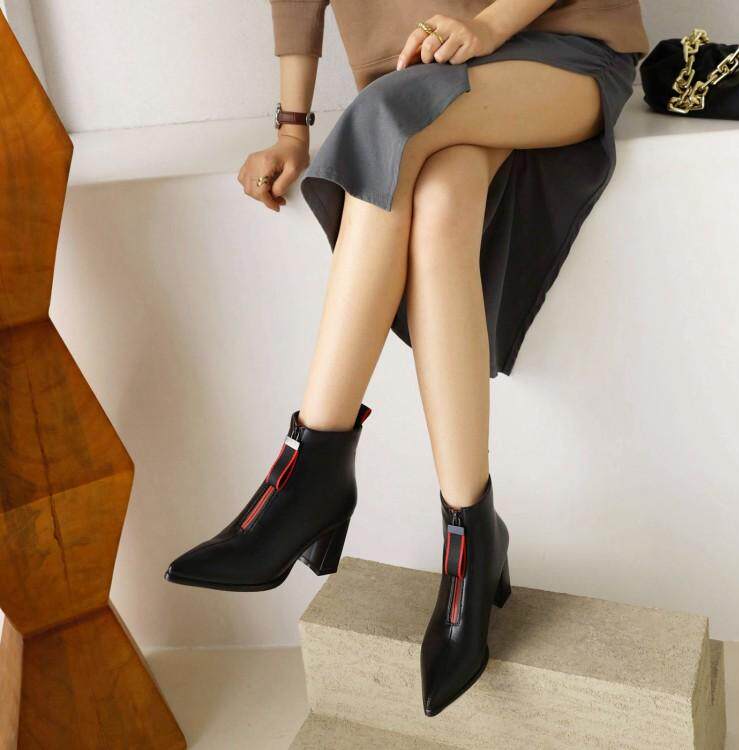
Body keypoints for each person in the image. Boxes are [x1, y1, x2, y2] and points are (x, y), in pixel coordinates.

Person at [165, 0, 650, 717]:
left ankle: (311, 469)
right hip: (429, 76)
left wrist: (489, 26)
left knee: (388, 123)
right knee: (441, 197)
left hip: (559, 47)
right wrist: (290, 131)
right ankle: (472, 533)